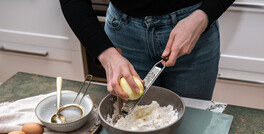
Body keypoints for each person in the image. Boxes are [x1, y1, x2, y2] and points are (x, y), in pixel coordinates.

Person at [59, 0, 235, 100]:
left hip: (193, 29)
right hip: (124, 33)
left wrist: (203, 17)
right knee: (130, 124)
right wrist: (107, 55)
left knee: (193, 126)